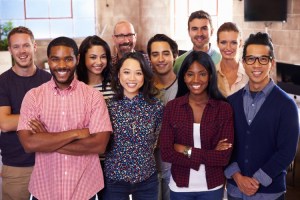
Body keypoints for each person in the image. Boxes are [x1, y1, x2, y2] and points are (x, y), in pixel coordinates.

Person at [17, 36, 112, 200]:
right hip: (44, 189)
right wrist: (76, 133)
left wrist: (46, 140)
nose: (61, 65)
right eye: (55, 59)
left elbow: (99, 144)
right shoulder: (33, 96)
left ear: (77, 59)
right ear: (48, 61)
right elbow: (29, 144)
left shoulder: (93, 97)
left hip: (85, 189)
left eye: (68, 59)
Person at [225, 32, 300, 200]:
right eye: (251, 59)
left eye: (263, 59)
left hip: (269, 194)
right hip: (235, 191)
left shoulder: (287, 106)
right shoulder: (230, 103)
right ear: (243, 63)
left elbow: (287, 152)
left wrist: (256, 180)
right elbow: (225, 145)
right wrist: (237, 177)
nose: (256, 65)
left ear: (272, 63)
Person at [160, 51, 234, 200]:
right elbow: (166, 153)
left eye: (202, 74)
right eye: (190, 74)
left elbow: (223, 158)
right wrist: (210, 153)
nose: (196, 79)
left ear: (210, 76)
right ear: (184, 77)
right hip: (180, 186)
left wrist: (185, 149)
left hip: (212, 186)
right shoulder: (172, 107)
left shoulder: (223, 109)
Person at [0, 26, 51, 200]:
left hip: (48, 163)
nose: (22, 51)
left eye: (26, 45)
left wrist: (20, 119)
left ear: (34, 46)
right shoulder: (3, 82)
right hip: (16, 167)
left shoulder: (49, 81)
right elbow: (5, 123)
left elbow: (57, 119)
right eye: (16, 46)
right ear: (10, 50)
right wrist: (40, 117)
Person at [104, 52, 164, 200]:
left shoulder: (156, 107)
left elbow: (156, 141)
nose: (132, 78)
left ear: (145, 76)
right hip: (114, 180)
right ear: (118, 75)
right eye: (126, 72)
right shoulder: (107, 107)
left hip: (146, 179)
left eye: (138, 73)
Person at [147, 33, 179, 200]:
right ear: (149, 59)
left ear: (175, 55)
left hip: (176, 166)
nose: (161, 59)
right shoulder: (143, 88)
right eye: (155, 54)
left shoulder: (186, 88)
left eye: (165, 53)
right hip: (148, 168)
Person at [173, 10, 221, 74]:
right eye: (195, 29)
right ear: (189, 32)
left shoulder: (221, 60)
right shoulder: (179, 62)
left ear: (211, 31)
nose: (199, 34)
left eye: (204, 28)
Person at [216, 22, 248, 97]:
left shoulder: (249, 73)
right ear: (217, 43)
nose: (228, 48)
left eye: (233, 43)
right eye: (223, 42)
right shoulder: (211, 74)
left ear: (240, 43)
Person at [77, 35, 114, 100]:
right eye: (93, 57)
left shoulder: (115, 85)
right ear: (83, 58)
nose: (99, 62)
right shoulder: (76, 86)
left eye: (103, 57)